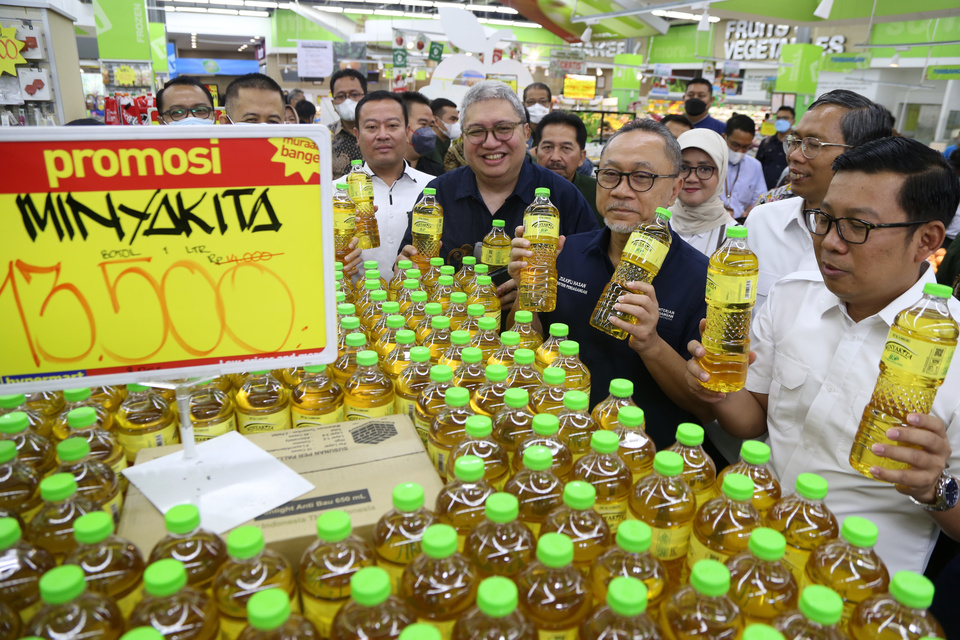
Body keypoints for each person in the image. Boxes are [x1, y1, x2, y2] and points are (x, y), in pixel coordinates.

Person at [685, 136, 960, 575]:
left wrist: (934, 487)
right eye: (824, 219)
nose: (830, 242)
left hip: (855, 581)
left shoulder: (951, 347)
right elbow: (753, 420)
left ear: (926, 239)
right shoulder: (793, 295)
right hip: (749, 543)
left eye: (858, 226)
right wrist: (715, 385)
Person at [508, 118, 713, 449]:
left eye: (642, 177)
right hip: (552, 443)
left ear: (674, 189)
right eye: (611, 174)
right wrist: (525, 289)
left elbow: (704, 408)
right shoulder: (564, 251)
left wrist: (652, 343)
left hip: (645, 461)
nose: (621, 190)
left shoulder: (703, 278)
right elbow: (525, 348)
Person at [397, 80, 597, 308]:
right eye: (476, 131)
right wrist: (404, 266)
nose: (490, 143)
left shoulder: (562, 197)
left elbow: (589, 276)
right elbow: (408, 258)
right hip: (445, 337)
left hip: (537, 337)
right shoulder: (438, 194)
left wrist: (536, 286)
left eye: (503, 129)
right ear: (462, 138)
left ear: (525, 131)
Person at [745, 89, 892, 312]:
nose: (794, 155)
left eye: (813, 145)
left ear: (862, 153)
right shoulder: (763, 221)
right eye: (795, 141)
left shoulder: (881, 240)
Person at [336, 91, 432, 281]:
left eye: (392, 126)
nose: (383, 135)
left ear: (406, 132)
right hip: (355, 307)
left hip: (419, 306)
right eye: (371, 127)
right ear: (357, 135)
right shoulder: (335, 193)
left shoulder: (434, 188)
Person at [669, 129, 737, 256]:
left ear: (721, 173)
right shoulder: (655, 223)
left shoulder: (735, 240)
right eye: (683, 167)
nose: (692, 178)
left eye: (705, 169)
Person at [533, 110, 601, 224]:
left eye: (566, 148)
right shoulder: (518, 189)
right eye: (547, 147)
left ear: (581, 157)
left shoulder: (598, 194)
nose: (555, 157)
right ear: (536, 153)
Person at [719, 114, 767, 221]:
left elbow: (759, 198)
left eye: (745, 147)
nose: (740, 151)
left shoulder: (755, 166)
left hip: (741, 223)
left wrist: (750, 211)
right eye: (735, 145)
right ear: (724, 138)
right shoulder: (711, 162)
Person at [329, 68, 367, 178]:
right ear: (333, 104)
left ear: (365, 98)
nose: (348, 101)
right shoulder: (325, 137)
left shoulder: (380, 133)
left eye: (354, 94)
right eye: (341, 96)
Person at [401, 91, 444, 177]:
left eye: (431, 126)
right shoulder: (381, 170)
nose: (428, 132)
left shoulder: (436, 173)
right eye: (423, 124)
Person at [755, 105, 795, 189]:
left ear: (793, 121)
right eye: (778, 118)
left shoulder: (797, 144)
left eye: (785, 118)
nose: (781, 121)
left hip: (787, 192)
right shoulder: (766, 142)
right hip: (765, 190)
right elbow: (757, 168)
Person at [425, 97, 459, 168]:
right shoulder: (428, 148)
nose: (456, 124)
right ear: (436, 121)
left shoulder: (445, 143)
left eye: (457, 120)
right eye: (452, 119)